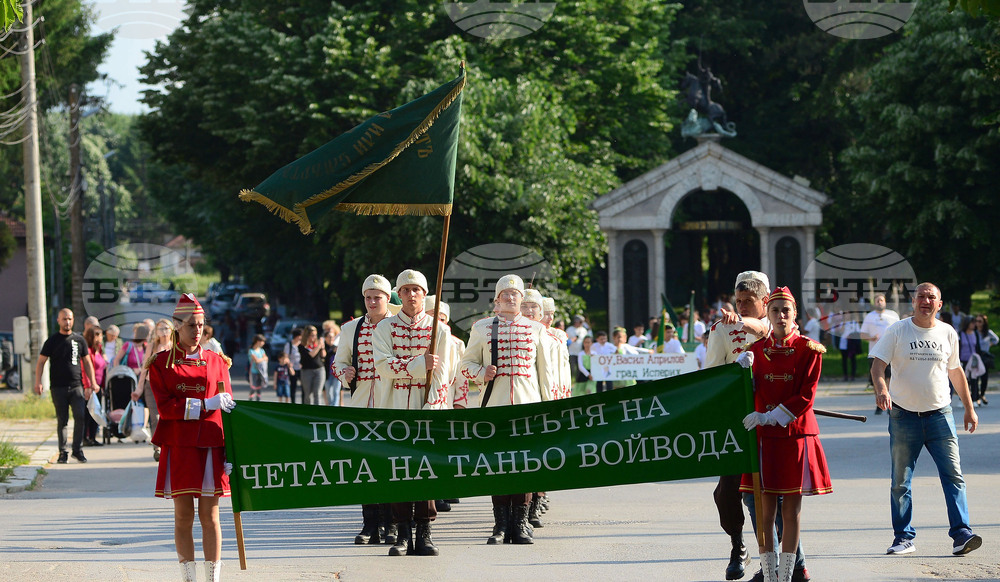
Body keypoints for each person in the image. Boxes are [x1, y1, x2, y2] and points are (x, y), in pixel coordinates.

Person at [706, 271, 810, 582]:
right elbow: (711, 376)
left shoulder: (782, 328)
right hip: (740, 423)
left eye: (748, 302)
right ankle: (739, 547)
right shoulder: (722, 330)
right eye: (738, 302)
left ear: (766, 302)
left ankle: (786, 567)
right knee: (728, 494)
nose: (742, 307)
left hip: (777, 424)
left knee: (773, 496)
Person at [870, 282, 982, 558]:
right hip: (904, 416)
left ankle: (961, 534)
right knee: (900, 481)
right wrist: (882, 389)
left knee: (954, 476)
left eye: (932, 297)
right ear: (913, 301)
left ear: (939, 304)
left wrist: (969, 408)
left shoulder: (947, 332)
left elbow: (955, 372)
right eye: (921, 296)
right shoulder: (897, 330)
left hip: (941, 416)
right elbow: (877, 365)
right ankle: (903, 537)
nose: (926, 301)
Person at [737, 287, 832, 582]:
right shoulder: (753, 352)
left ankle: (787, 575)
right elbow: (742, 397)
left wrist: (770, 415)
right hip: (764, 440)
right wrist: (740, 376)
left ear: (795, 315)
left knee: (791, 510)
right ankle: (769, 574)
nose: (780, 316)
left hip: (794, 436)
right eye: (775, 310)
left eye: (786, 311)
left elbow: (806, 396)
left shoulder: (810, 349)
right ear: (767, 313)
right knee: (764, 511)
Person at [148, 293, 236, 582]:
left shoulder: (217, 361)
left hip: (212, 444)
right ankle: (189, 578)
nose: (197, 330)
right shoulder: (161, 363)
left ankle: (212, 579)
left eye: (200, 325)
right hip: (180, 444)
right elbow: (165, 407)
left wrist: (234, 451)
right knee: (183, 516)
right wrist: (204, 404)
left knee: (210, 517)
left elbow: (230, 408)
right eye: (191, 325)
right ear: (177, 327)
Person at [460, 274, 553, 546]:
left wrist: (548, 408)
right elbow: (465, 365)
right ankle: (500, 525)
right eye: (505, 294)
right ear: (497, 301)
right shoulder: (482, 328)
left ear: (522, 300)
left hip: (528, 406)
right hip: (495, 406)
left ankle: (521, 523)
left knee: (524, 465)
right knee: (499, 465)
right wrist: (481, 372)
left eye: (515, 294)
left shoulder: (536, 330)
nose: (511, 298)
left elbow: (544, 373)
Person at [373, 269, 449, 557]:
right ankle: (402, 534)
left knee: (425, 471)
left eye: (416, 289)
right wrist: (419, 364)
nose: (411, 294)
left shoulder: (438, 329)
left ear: (425, 294)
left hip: (425, 404)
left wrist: (433, 406)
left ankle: (425, 533)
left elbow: (443, 373)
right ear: (398, 294)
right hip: (393, 405)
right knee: (398, 469)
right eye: (405, 290)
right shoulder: (384, 329)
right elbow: (383, 366)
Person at [335, 274, 396, 547]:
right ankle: (370, 522)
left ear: (387, 299)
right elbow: (338, 363)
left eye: (378, 297)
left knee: (392, 463)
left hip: (392, 401)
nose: (372, 302)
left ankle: (392, 523)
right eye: (368, 297)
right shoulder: (350, 329)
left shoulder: (397, 326)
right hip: (361, 403)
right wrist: (344, 373)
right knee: (366, 464)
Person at [34, 308, 99, 464]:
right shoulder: (52, 341)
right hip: (58, 387)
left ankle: (77, 450)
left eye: (69, 319)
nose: (67, 322)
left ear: (73, 319)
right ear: (58, 321)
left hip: (77, 386)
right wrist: (38, 382)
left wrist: (93, 382)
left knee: (80, 417)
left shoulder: (79, 340)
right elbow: (41, 362)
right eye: (64, 319)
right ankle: (63, 452)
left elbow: (87, 362)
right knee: (62, 420)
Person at [134, 319, 174, 460]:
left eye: (165, 329)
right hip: (151, 385)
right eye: (160, 329)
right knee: (155, 417)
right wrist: (139, 389)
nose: (163, 332)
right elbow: (145, 368)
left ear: (171, 330)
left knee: (168, 417)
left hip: (170, 387)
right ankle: (157, 448)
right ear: (156, 332)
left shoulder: (175, 346)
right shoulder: (152, 346)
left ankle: (169, 445)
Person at [861, 295, 900, 398]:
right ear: (875, 303)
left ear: (885, 302)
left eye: (881, 300)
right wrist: (871, 338)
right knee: (876, 377)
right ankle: (879, 401)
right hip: (875, 352)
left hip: (891, 352)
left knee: (890, 377)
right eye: (877, 301)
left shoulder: (893, 315)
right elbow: (862, 334)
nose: (880, 302)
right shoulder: (869, 316)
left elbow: (901, 332)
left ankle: (890, 399)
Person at [82, 326, 107, 447]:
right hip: (90, 386)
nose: (101, 338)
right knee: (87, 413)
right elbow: (85, 368)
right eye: (100, 335)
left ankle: (92, 437)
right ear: (93, 336)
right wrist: (88, 385)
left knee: (96, 412)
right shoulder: (87, 350)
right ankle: (85, 437)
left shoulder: (99, 349)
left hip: (98, 386)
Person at [973, 314, 998, 405]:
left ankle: (982, 394)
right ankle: (977, 397)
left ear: (984, 323)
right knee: (975, 377)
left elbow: (996, 339)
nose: (978, 323)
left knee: (984, 377)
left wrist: (989, 344)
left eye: (980, 321)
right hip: (976, 356)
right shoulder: (974, 332)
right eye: (976, 321)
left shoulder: (988, 332)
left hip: (985, 356)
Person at [298, 325, 325, 405]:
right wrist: (319, 346)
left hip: (319, 370)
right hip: (307, 371)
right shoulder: (302, 346)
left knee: (317, 393)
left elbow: (323, 355)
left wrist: (322, 347)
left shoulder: (317, 344)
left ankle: (317, 412)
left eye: (315, 335)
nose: (314, 337)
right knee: (308, 394)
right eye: (312, 335)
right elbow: (311, 355)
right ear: (307, 335)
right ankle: (308, 412)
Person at [321, 326, 341, 406]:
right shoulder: (324, 347)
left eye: (332, 337)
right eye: (329, 337)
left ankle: (334, 407)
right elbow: (324, 357)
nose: (331, 339)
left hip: (337, 373)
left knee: (336, 391)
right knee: (328, 392)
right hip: (327, 374)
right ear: (325, 338)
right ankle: (330, 406)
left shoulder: (338, 346)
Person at [284, 328, 303, 404]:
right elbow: (286, 357)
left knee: (304, 388)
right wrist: (290, 367)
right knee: (293, 387)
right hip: (293, 369)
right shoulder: (289, 345)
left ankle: (303, 403)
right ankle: (293, 402)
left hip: (302, 368)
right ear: (297, 336)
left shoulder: (303, 344)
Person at [248, 334, 268, 402]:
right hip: (253, 371)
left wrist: (261, 359)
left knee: (259, 388)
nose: (263, 343)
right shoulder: (251, 351)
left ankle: (258, 401)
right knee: (253, 388)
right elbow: (256, 360)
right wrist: (263, 358)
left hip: (261, 372)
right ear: (258, 341)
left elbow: (266, 358)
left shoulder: (262, 350)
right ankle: (250, 400)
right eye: (262, 341)